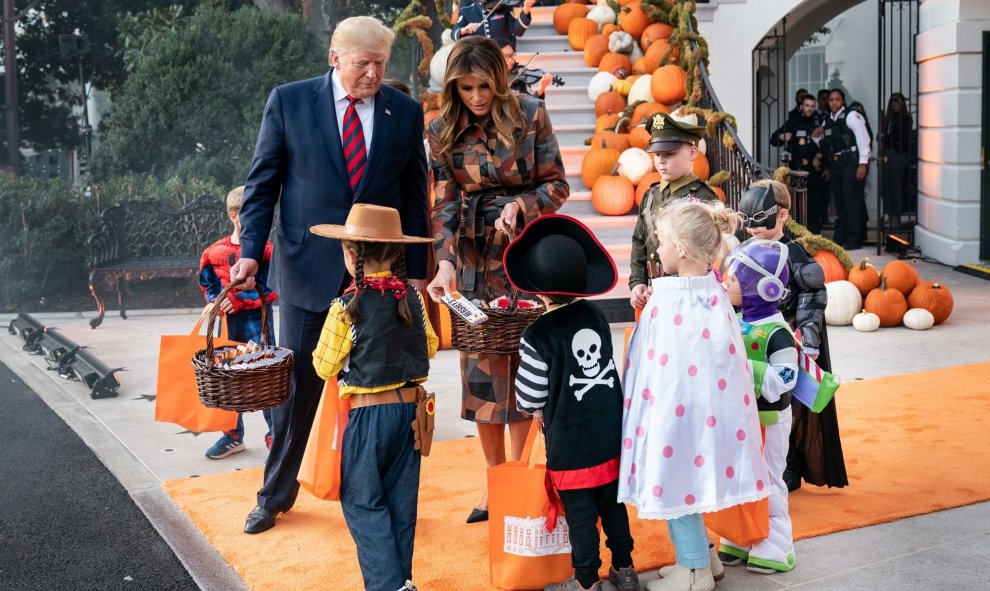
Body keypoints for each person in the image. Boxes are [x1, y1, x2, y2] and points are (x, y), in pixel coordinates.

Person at [232, 15, 430, 535]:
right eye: (362, 63)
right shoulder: (290, 101)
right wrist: (251, 251)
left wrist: (419, 274)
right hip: (306, 268)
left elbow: (414, 195)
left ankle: (371, 494)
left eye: (380, 65)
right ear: (334, 58)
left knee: (380, 389)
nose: (371, 74)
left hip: (379, 277)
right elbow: (263, 184)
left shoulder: (404, 112)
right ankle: (275, 493)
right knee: (296, 389)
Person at [425, 35, 568, 524]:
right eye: (466, 88)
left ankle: (523, 477)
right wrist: (443, 263)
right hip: (471, 260)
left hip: (527, 258)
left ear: (500, 80)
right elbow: (444, 202)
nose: (477, 97)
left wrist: (521, 203)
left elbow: (558, 184)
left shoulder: (531, 114)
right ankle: (495, 481)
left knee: (527, 370)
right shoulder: (441, 128)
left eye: (484, 85)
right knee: (483, 376)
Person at [619, 199, 770, 591]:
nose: (658, 250)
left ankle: (694, 570)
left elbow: (668, 369)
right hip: (705, 412)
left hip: (677, 414)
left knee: (676, 477)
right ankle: (704, 554)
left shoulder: (676, 298)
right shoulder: (708, 290)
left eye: (663, 242)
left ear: (682, 249)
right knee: (688, 476)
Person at [506, 215, 638, 591]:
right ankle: (625, 569)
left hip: (571, 442)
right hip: (609, 432)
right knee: (612, 505)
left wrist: (533, 409)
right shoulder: (595, 314)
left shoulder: (537, 334)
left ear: (538, 291)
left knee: (580, 514)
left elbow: (530, 396)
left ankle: (585, 582)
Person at [310, 204, 437, 591]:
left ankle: (388, 585)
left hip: (369, 419)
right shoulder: (413, 299)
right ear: (397, 253)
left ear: (352, 254)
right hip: (410, 414)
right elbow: (429, 347)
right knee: (401, 502)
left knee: (363, 501)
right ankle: (402, 579)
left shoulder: (346, 307)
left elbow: (323, 366)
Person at [736, 181, 847, 491]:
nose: (752, 226)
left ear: (781, 215)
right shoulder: (746, 252)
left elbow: (813, 294)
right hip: (754, 340)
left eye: (760, 217)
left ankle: (787, 468)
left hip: (785, 341)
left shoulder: (793, 253)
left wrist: (808, 339)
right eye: (747, 219)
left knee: (788, 407)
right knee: (757, 405)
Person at [718, 239, 799, 575]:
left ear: (761, 288)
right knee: (740, 476)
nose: (726, 283)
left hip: (769, 418)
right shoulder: (737, 318)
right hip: (742, 417)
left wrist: (744, 368)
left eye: (734, 281)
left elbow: (787, 377)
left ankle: (777, 544)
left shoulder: (777, 332)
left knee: (769, 478)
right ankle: (742, 534)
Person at [198, 186, 278, 459]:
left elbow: (274, 285)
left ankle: (275, 435)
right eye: (252, 213)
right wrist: (219, 301)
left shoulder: (267, 251)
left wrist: (243, 299)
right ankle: (232, 435)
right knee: (226, 375)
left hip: (259, 321)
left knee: (267, 372)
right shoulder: (213, 252)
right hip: (228, 325)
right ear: (234, 216)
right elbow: (207, 284)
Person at [629, 112, 720, 311]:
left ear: (693, 153)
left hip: (687, 296)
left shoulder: (703, 198)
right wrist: (637, 282)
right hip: (652, 294)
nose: (661, 160)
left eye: (670, 153)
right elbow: (639, 241)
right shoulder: (651, 195)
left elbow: (708, 252)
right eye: (657, 154)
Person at [820, 88, 871, 250]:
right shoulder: (827, 120)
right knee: (840, 203)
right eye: (831, 100)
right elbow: (821, 140)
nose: (834, 102)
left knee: (852, 202)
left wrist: (863, 163)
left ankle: (854, 239)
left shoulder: (851, 116)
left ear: (843, 101)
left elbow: (864, 139)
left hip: (851, 164)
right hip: (836, 165)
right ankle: (840, 238)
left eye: (837, 99)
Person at [769, 94, 828, 233]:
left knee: (814, 204)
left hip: (813, 170)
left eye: (812, 106)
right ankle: (797, 234)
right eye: (807, 106)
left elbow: (827, 145)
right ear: (801, 106)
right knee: (795, 203)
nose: (809, 109)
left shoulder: (819, 122)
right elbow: (773, 139)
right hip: (795, 169)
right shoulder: (793, 122)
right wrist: (781, 137)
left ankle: (814, 235)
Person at [879, 92, 912, 227]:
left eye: (897, 101)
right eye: (892, 101)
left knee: (896, 186)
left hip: (899, 154)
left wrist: (886, 138)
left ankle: (896, 217)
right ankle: (890, 215)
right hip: (887, 153)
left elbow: (901, 137)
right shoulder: (888, 119)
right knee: (886, 186)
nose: (894, 103)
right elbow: (884, 137)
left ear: (902, 103)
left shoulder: (906, 118)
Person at [453, 0, 538, 48]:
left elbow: (518, 31)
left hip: (502, 58)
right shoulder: (467, 11)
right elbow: (454, 33)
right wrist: (463, 30)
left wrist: (526, 7)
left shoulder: (504, 8)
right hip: (479, 59)